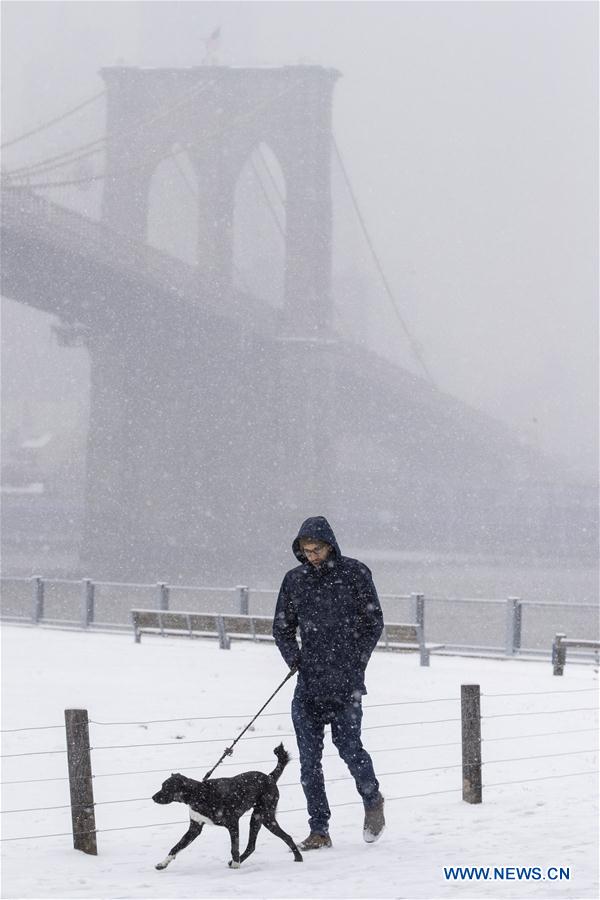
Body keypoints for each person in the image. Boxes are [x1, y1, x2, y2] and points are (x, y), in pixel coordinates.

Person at [273, 516, 385, 850]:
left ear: (330, 545)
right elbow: (281, 626)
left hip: (346, 684)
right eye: (306, 551)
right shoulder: (294, 580)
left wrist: (356, 661)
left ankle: (372, 799)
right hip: (308, 687)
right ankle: (319, 829)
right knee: (309, 763)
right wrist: (294, 658)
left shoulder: (355, 574)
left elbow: (373, 622)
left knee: (351, 749)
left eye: (317, 549)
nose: (312, 556)